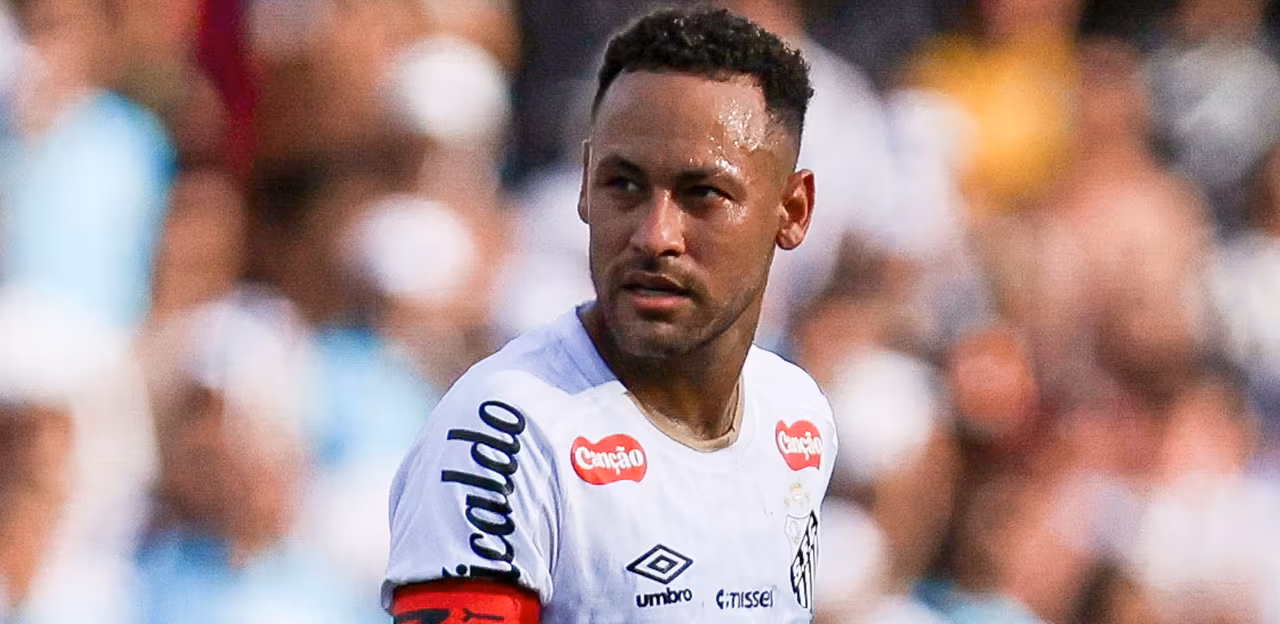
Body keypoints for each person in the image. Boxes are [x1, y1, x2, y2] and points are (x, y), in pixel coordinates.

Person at [384, 7, 838, 623]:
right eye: (623, 184)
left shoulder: (798, 418)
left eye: (703, 193)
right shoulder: (503, 435)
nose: (655, 236)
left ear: (793, 211)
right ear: (583, 185)